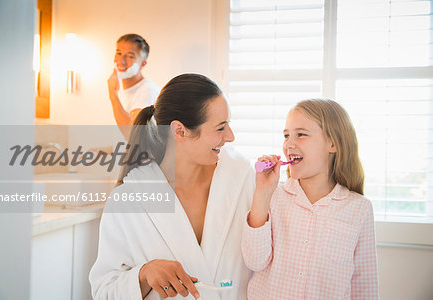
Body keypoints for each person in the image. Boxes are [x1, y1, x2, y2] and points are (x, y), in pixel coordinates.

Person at [90, 74, 255, 299]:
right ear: (179, 131)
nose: (231, 136)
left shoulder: (245, 182)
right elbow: (103, 292)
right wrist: (143, 274)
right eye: (220, 128)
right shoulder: (129, 201)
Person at [242, 99, 379, 299]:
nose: (289, 144)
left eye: (301, 134)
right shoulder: (273, 196)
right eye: (286, 135)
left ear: (332, 143)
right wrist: (262, 194)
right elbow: (254, 261)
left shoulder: (359, 209)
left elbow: (364, 285)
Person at [108, 33, 160, 139]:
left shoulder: (147, 91)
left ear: (143, 64)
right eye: (118, 53)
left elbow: (132, 136)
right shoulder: (124, 92)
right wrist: (101, 151)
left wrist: (113, 95)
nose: (121, 61)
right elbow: (124, 143)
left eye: (130, 56)